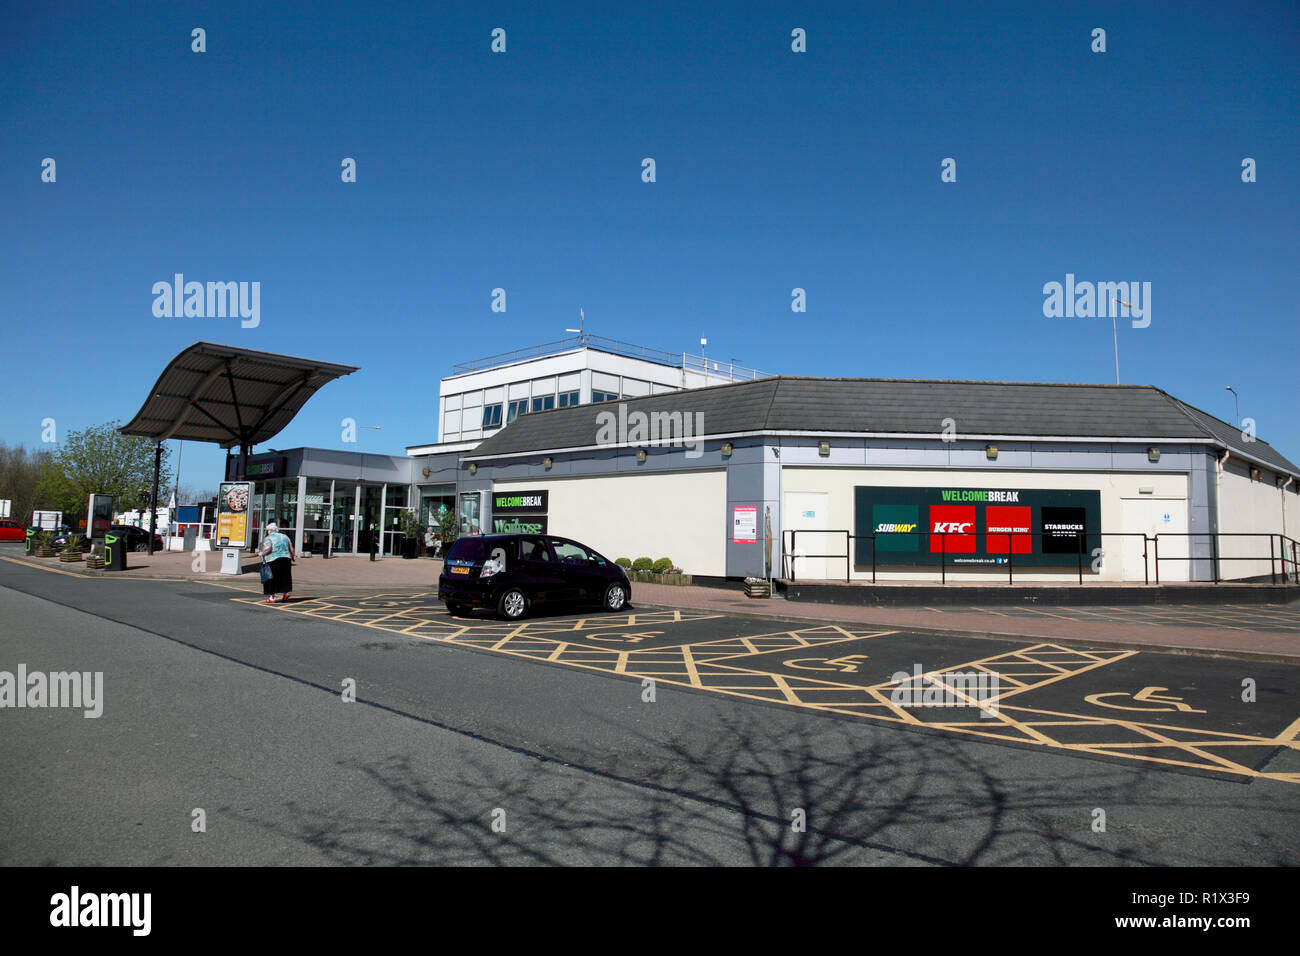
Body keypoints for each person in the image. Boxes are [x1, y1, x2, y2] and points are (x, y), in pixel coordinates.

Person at [258, 521, 296, 603]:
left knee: (271, 578)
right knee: (284, 577)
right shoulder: (285, 536)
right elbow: (290, 548)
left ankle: (272, 597)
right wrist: (293, 556)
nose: (267, 532)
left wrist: (262, 553)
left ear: (270, 530)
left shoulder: (269, 538)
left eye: (268, 530)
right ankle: (285, 593)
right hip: (286, 559)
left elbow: (268, 548)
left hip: (273, 559)